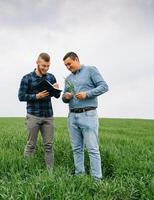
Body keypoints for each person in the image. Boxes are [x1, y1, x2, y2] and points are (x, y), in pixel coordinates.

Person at [62, 52, 108, 180]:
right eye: (66, 65)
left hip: (88, 115)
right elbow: (64, 98)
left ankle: (96, 180)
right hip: (72, 117)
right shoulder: (68, 79)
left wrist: (86, 94)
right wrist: (65, 97)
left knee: (92, 149)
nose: (68, 67)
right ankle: (79, 176)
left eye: (69, 64)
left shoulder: (90, 70)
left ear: (76, 59)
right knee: (77, 149)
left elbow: (104, 87)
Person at [18, 52, 61, 169]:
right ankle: (27, 170)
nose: (46, 68)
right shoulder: (27, 78)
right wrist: (36, 96)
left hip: (48, 116)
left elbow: (56, 96)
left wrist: (57, 90)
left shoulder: (51, 77)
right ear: (37, 63)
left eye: (48, 66)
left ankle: (49, 172)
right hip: (33, 115)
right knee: (31, 145)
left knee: (49, 146)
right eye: (43, 66)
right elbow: (21, 96)